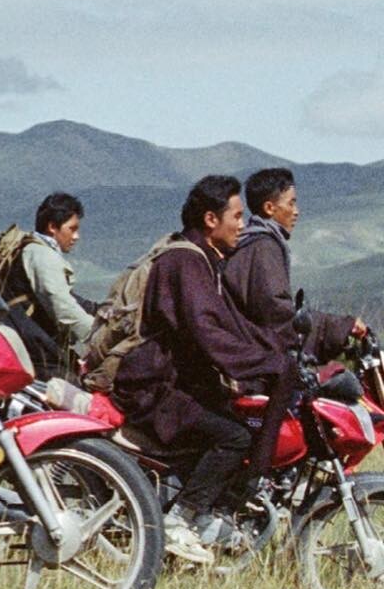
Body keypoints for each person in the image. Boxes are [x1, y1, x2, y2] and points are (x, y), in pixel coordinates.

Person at [114, 174, 286, 559]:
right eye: (237, 216)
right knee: (234, 437)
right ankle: (180, 520)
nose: (242, 224)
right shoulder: (185, 262)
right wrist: (262, 364)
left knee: (234, 419)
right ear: (211, 219)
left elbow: (235, 325)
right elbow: (206, 330)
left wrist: (278, 353)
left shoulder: (204, 262)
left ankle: (205, 513)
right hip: (152, 388)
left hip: (170, 384)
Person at [224, 167, 365, 363]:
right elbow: (277, 313)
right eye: (291, 203)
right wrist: (339, 327)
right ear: (270, 208)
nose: (296, 212)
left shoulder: (249, 244)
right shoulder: (264, 247)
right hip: (260, 361)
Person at [5, 193, 96, 375]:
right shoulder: (42, 255)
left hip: (28, 339)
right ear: (52, 227)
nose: (76, 236)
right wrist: (98, 335)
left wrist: (98, 310)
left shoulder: (31, 249)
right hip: (34, 346)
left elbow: (67, 297)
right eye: (72, 229)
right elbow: (60, 303)